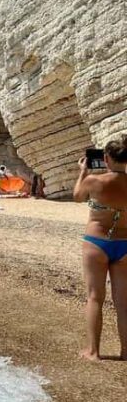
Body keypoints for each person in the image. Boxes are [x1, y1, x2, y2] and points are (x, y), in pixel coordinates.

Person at [73, 136, 127, 361]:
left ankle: (93, 351)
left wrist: (83, 171)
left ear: (105, 158)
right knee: (123, 302)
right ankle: (126, 352)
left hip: (97, 242)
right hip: (125, 244)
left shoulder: (95, 181)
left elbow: (77, 197)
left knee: (95, 297)